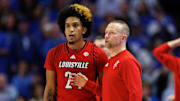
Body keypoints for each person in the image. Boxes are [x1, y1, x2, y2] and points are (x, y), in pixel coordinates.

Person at [43, 4, 108, 101]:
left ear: (84, 29)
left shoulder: (98, 54)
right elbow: (50, 89)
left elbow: (106, 91)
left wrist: (87, 84)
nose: (71, 29)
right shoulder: (54, 53)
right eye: (67, 26)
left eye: (75, 25)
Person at [71, 20, 143, 101]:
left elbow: (135, 94)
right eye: (106, 32)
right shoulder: (108, 63)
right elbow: (105, 93)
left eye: (112, 33)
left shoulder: (128, 61)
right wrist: (86, 84)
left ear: (123, 38)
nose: (107, 36)